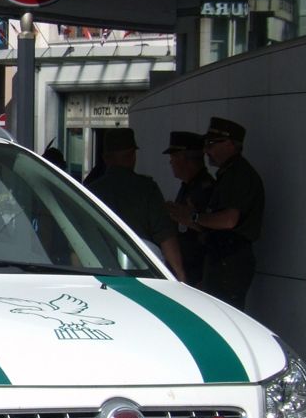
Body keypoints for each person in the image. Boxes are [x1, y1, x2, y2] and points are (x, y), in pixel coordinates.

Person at [168, 117, 264, 310]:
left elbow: (229, 220)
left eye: (211, 144)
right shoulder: (228, 174)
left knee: (224, 317)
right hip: (221, 259)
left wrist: (193, 217)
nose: (206, 150)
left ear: (229, 144)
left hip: (230, 259)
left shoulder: (239, 174)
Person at [85, 128, 186, 282]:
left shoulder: (90, 191)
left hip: (100, 271)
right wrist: (180, 276)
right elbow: (165, 236)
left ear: (105, 158)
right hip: (142, 274)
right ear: (133, 157)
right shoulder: (147, 189)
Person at [163, 131, 215, 288]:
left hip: (197, 271)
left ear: (183, 159)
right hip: (186, 268)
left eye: (172, 158)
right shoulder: (188, 186)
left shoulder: (205, 189)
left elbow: (213, 236)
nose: (170, 163)